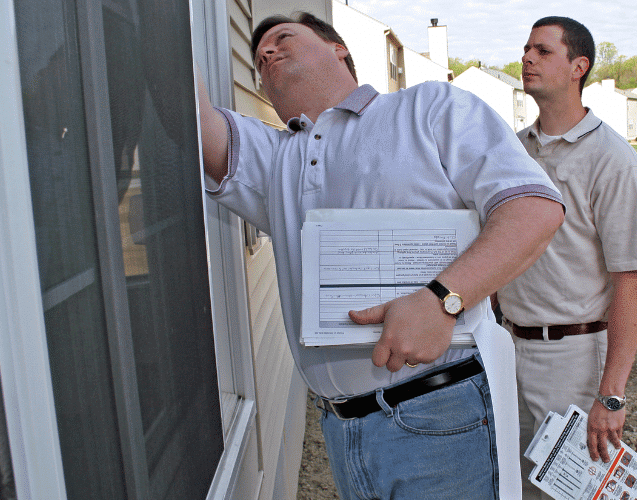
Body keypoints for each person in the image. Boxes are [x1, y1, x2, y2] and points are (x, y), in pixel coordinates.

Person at [197, 12, 565, 499]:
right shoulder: (276, 157)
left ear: (338, 49)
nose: (266, 53)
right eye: (259, 56)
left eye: (283, 38)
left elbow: (533, 208)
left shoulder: (428, 107)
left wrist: (442, 300)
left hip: (441, 412)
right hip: (341, 426)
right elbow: (194, 115)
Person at [496, 16, 637, 500]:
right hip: (506, 347)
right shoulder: (512, 151)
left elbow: (631, 281)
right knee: (513, 485)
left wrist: (611, 395)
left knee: (571, 491)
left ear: (578, 67)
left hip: (574, 357)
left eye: (542, 51)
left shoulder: (613, 160)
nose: (527, 59)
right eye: (526, 49)